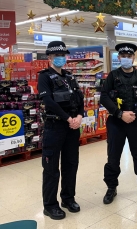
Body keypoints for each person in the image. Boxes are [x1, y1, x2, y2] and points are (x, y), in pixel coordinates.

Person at [100, 42, 137, 204]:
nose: (126, 59)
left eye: (129, 56)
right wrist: (119, 113)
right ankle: (111, 187)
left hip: (136, 121)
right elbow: (104, 97)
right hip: (116, 122)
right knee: (113, 156)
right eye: (123, 56)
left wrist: (136, 113)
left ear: (133, 58)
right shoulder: (112, 76)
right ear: (119, 58)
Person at [37, 41, 84, 220]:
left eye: (63, 55)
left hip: (72, 127)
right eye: (57, 56)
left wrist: (79, 117)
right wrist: (67, 118)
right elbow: (48, 102)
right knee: (51, 167)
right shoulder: (44, 77)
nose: (60, 58)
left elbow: (79, 100)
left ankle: (68, 198)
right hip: (54, 127)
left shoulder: (70, 77)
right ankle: (49, 205)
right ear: (49, 58)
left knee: (71, 164)